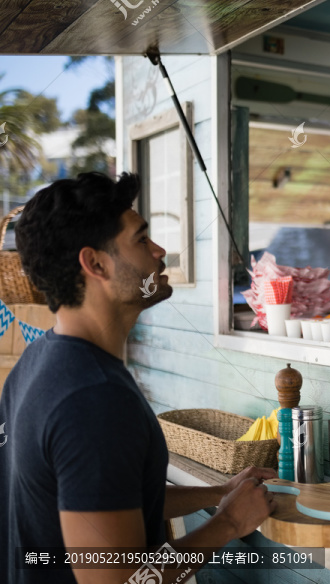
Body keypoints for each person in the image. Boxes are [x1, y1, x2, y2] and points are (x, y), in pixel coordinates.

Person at [0, 172, 276, 584]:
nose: (160, 251)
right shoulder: (93, 398)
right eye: (141, 239)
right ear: (95, 264)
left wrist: (219, 493)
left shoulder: (37, 363)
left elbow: (107, 499)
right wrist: (229, 524)